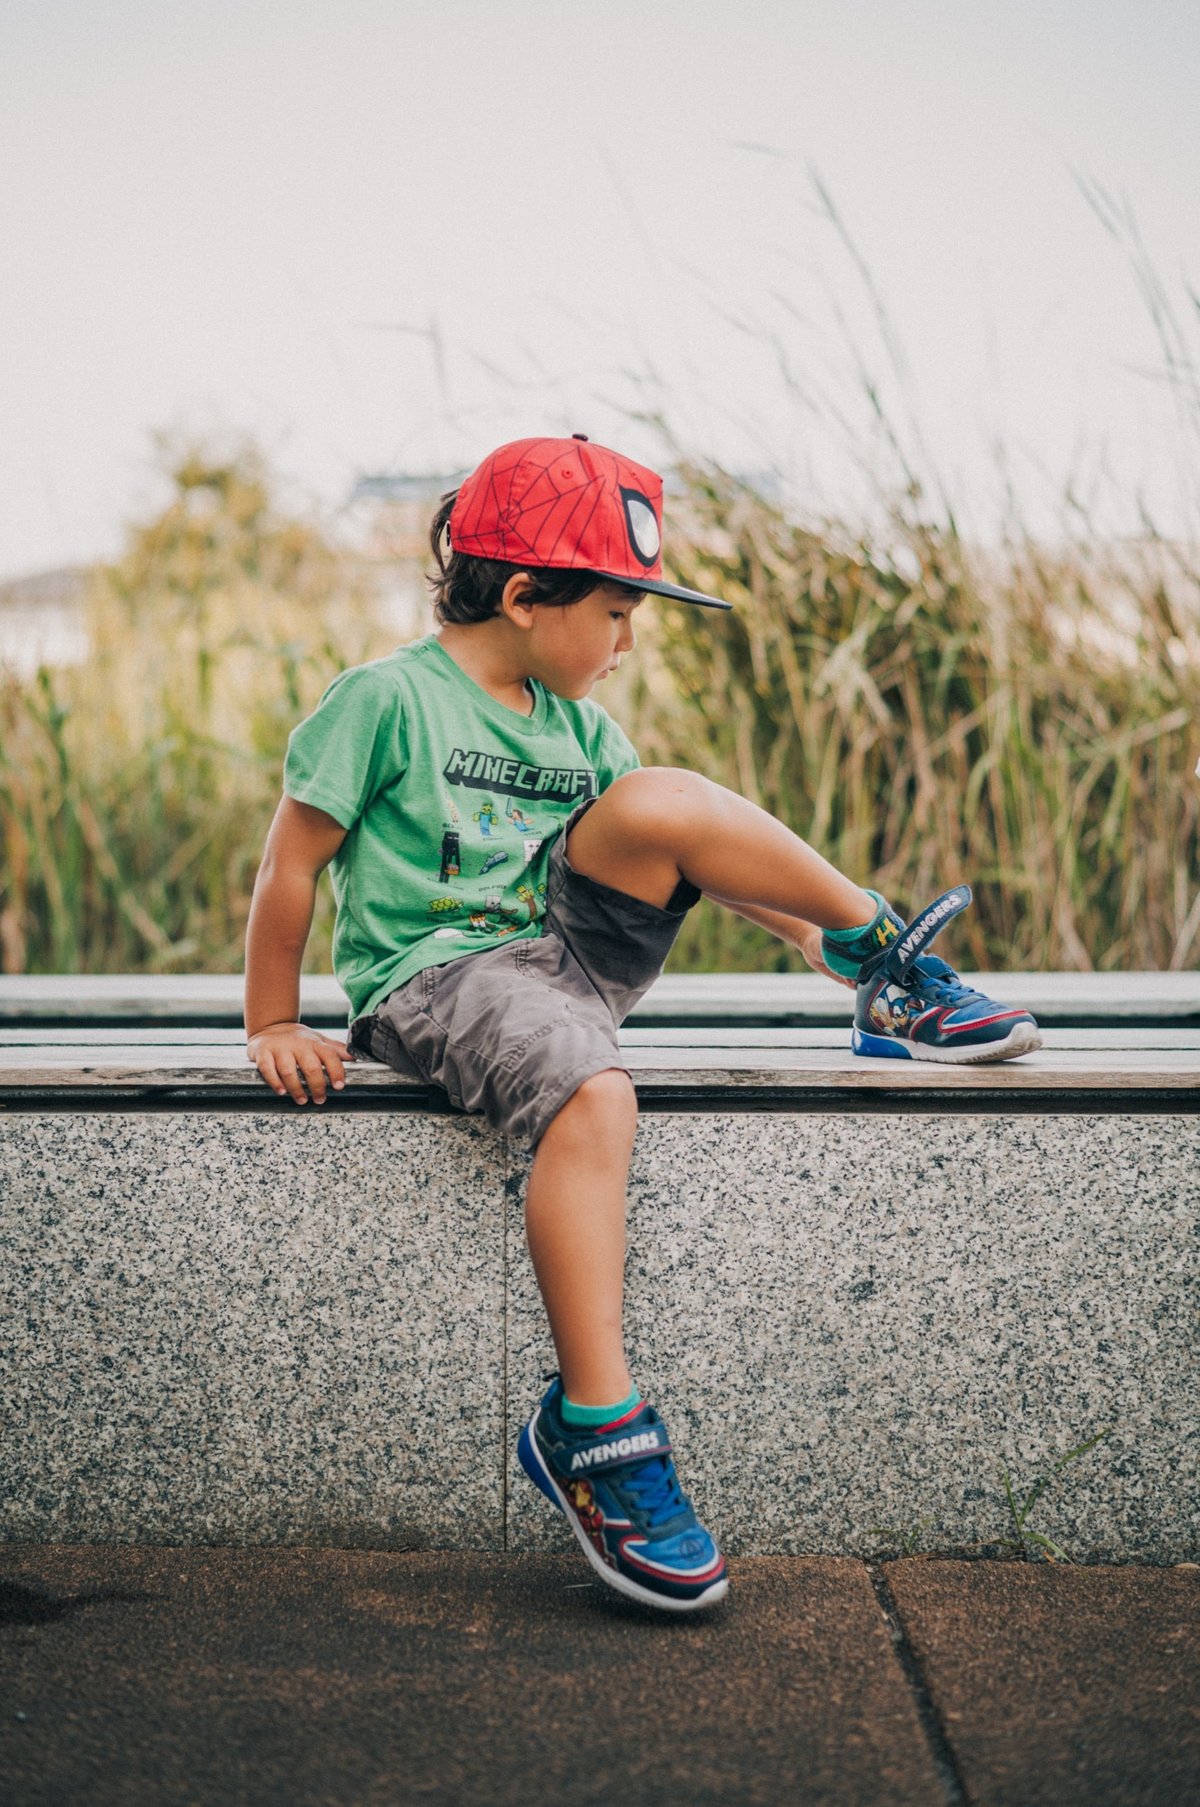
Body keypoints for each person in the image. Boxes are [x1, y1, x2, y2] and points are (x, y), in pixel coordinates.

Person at [244, 434, 1041, 1616]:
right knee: (595, 1090)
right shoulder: (388, 698)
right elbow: (292, 861)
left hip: (564, 956)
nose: (627, 643)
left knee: (661, 794)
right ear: (523, 595)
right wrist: (273, 1018)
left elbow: (706, 867)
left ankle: (878, 953)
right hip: (443, 975)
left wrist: (815, 947)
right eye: (617, 613)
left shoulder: (579, 735)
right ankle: (596, 1427)